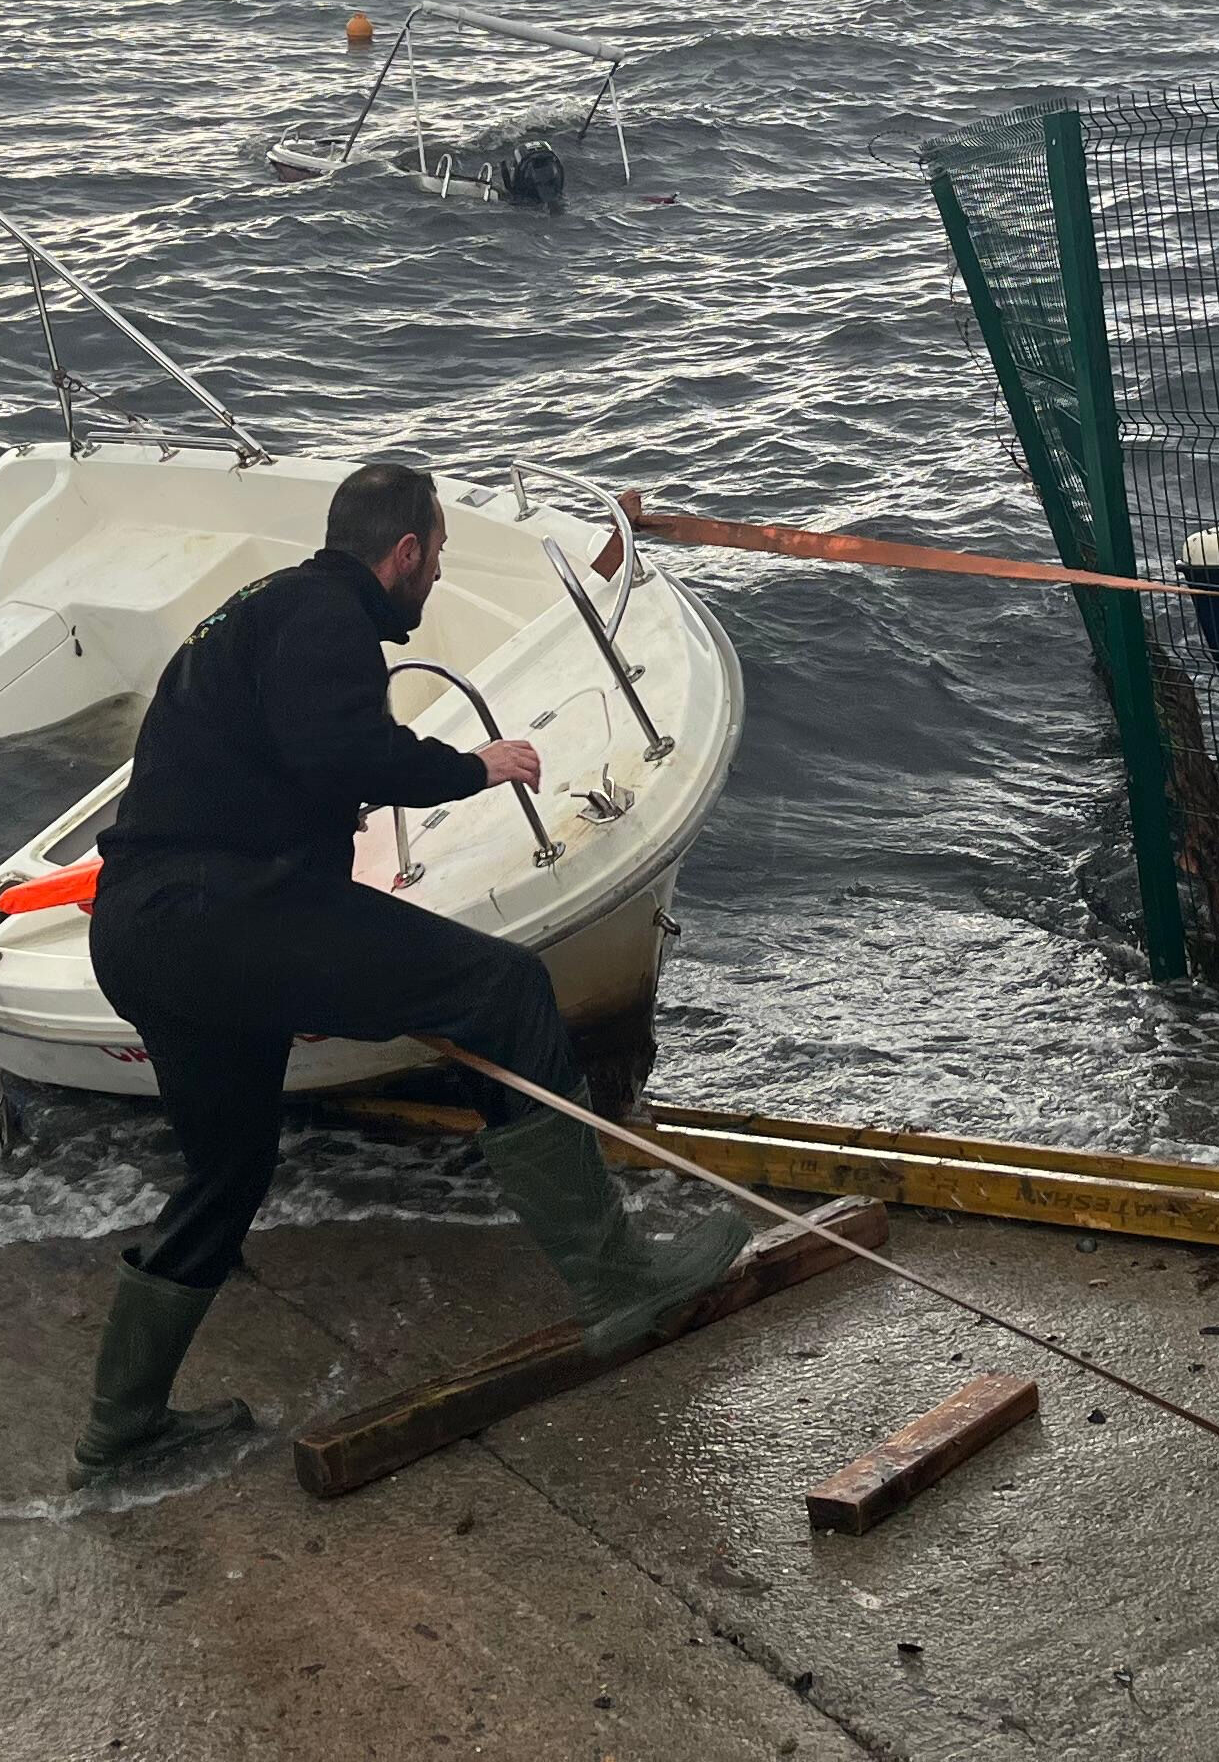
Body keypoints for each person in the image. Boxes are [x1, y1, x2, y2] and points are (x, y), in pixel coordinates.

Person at [70, 461, 746, 1487]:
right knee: (504, 991)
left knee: (228, 1171)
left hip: (141, 930)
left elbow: (270, 767)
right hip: (224, 915)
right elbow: (338, 753)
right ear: (406, 554)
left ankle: (119, 1430)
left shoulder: (252, 613)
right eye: (434, 563)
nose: (431, 586)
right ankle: (618, 1283)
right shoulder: (328, 613)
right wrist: (474, 768)